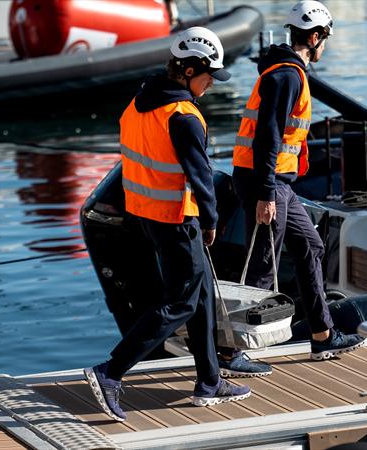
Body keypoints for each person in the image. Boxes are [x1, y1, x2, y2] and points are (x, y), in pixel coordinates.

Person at [84, 27, 250, 423]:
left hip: (145, 215)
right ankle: (111, 371)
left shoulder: (139, 103)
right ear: (189, 69)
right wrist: (210, 222)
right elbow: (201, 177)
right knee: (181, 301)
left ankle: (209, 380)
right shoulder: (184, 116)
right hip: (177, 219)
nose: (211, 82)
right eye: (208, 74)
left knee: (202, 292)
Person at [231, 1, 365, 361]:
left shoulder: (288, 72)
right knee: (263, 264)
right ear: (317, 36)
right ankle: (232, 351)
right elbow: (268, 137)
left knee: (311, 246)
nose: (326, 46)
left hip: (279, 183)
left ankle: (322, 335)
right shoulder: (287, 75)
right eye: (326, 40)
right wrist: (264, 193)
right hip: (266, 182)